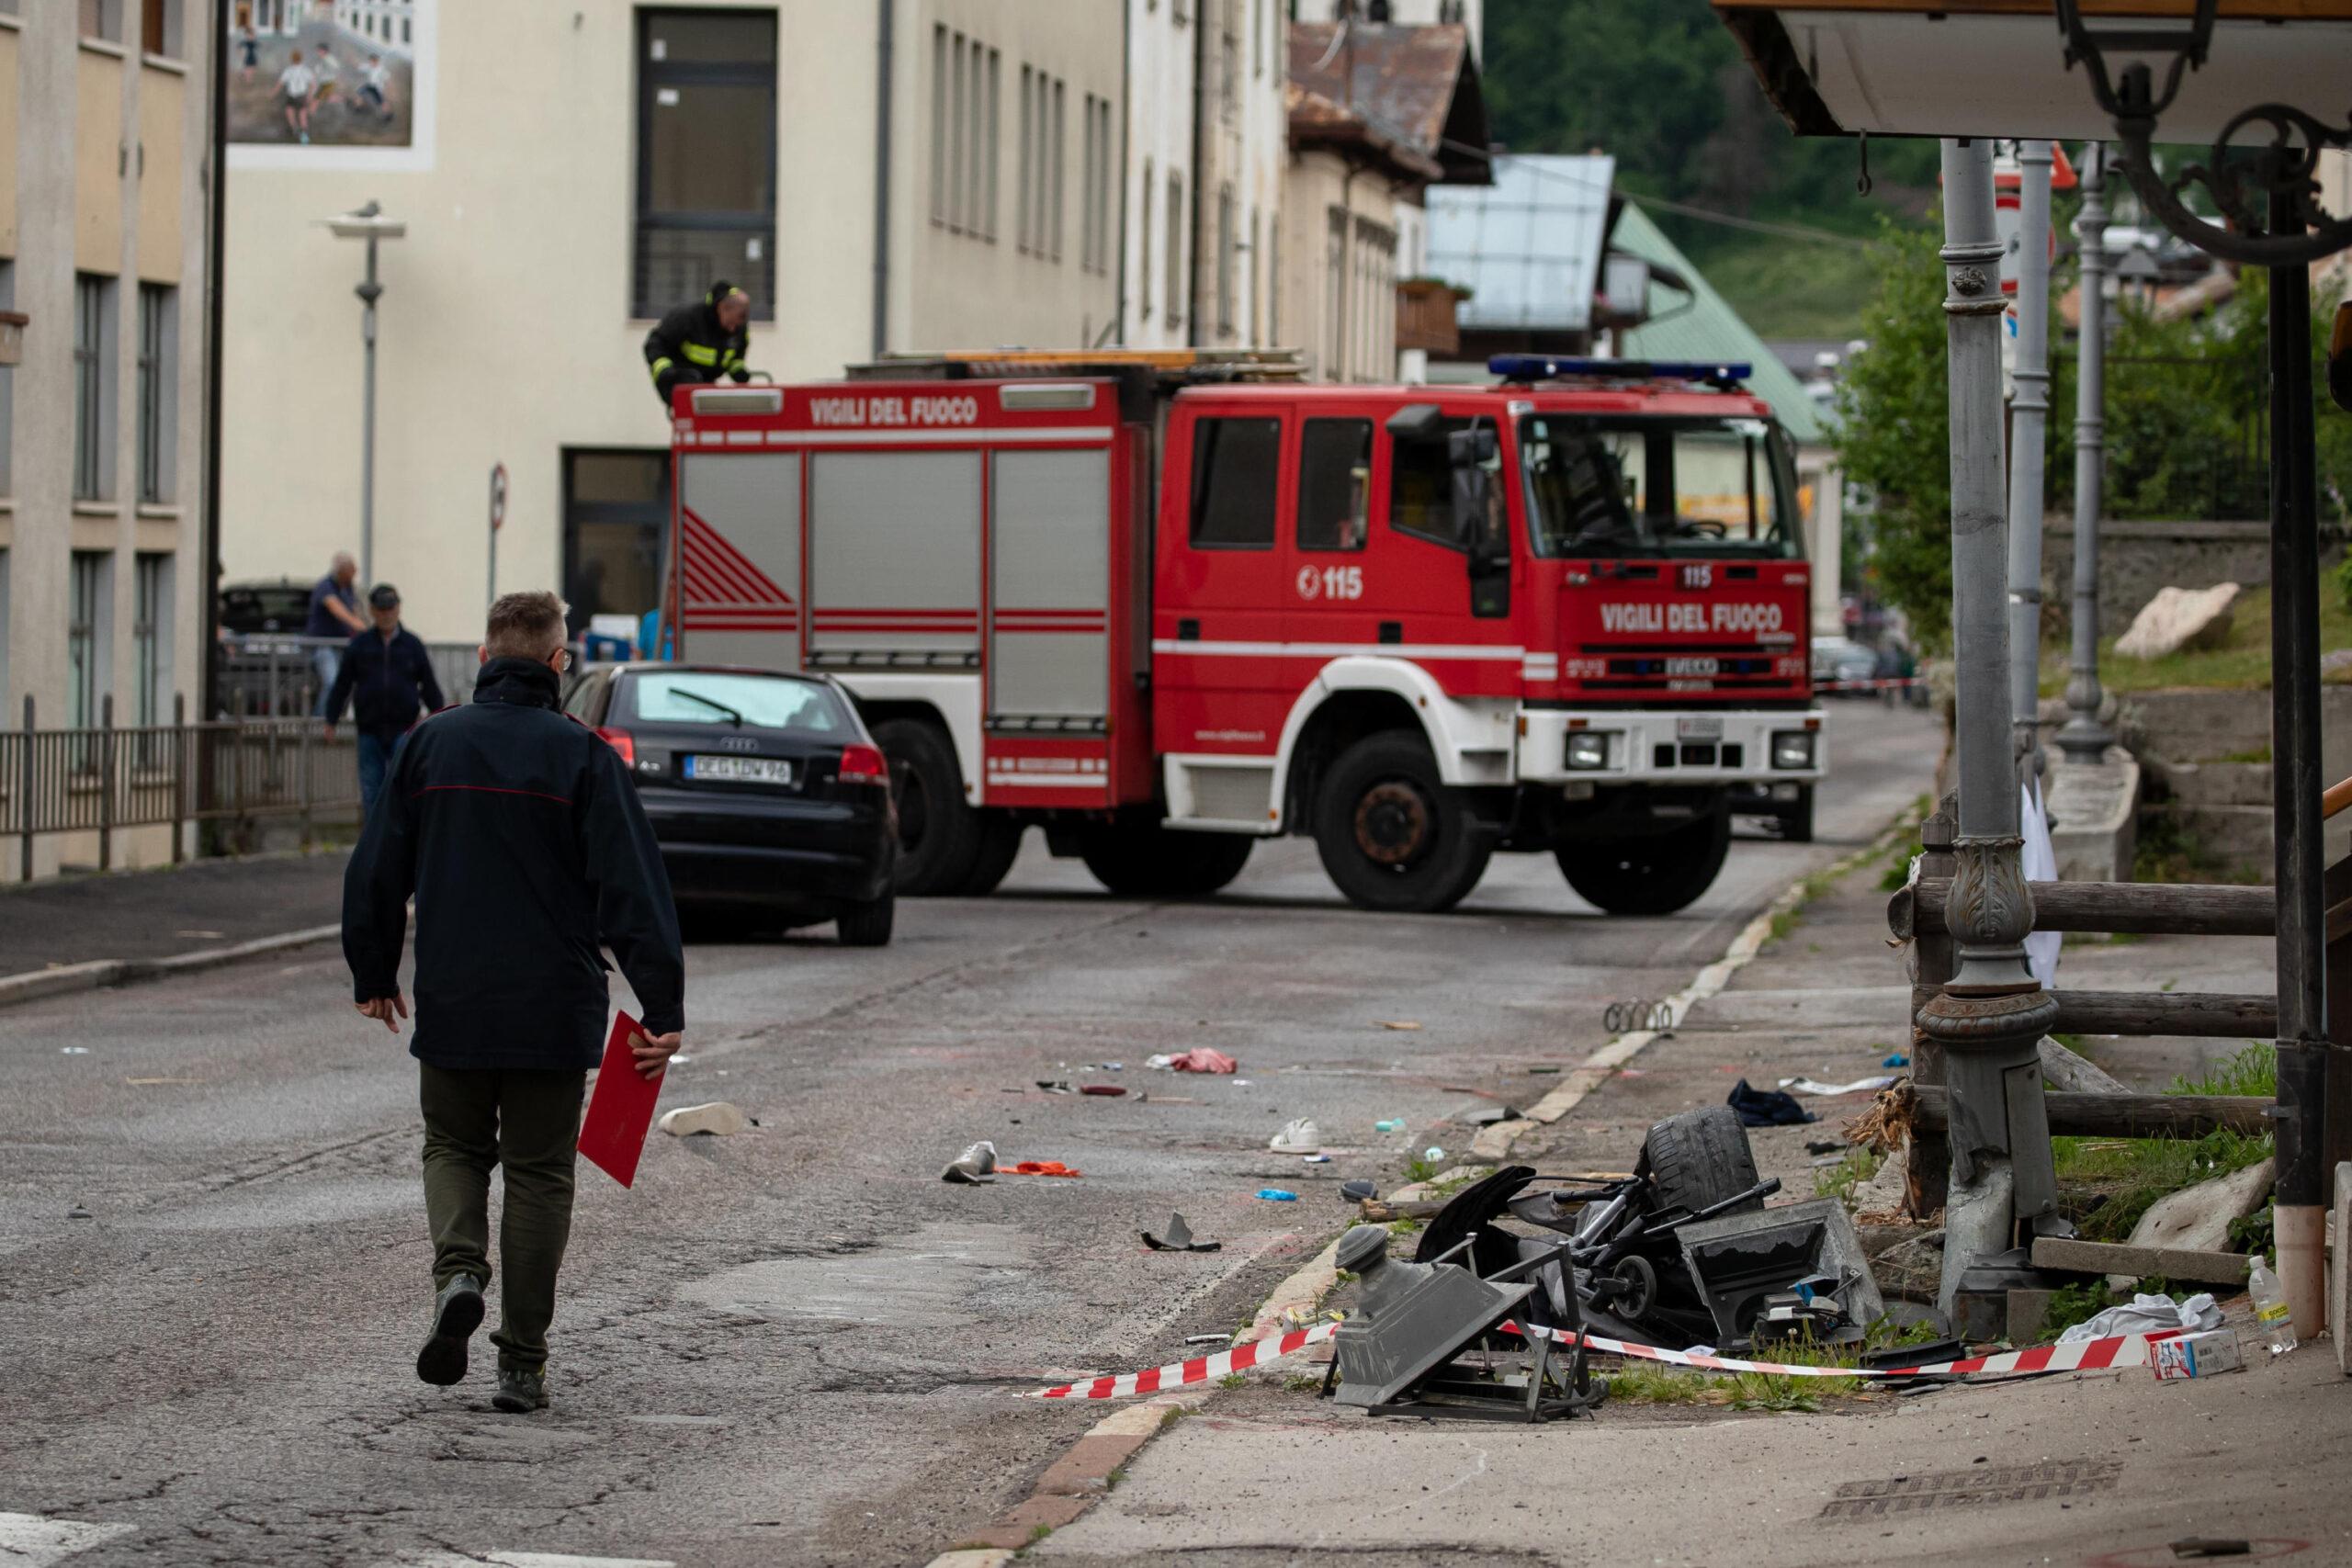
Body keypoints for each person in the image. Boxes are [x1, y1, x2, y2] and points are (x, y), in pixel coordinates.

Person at [344, 591, 684, 1416]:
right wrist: (662, 1002)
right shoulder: (584, 756)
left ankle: (459, 1271)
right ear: (559, 662)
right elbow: (632, 890)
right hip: (553, 1008)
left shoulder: (431, 743)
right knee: (539, 1175)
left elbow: (376, 866)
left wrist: (375, 970)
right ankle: (522, 1363)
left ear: (486, 655)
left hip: (455, 1000)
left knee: (453, 1147)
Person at [323, 583, 445, 814]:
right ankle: (374, 844)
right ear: (372, 611)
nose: (386, 614)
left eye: (390, 609)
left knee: (403, 787)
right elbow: (343, 684)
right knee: (372, 791)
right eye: (381, 610)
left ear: (398, 609)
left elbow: (428, 685)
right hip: (369, 729)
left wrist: (439, 716)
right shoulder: (360, 645)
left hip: (404, 729)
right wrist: (331, 718)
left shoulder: (412, 645)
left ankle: (399, 842)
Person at [641, 281, 752, 411]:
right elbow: (656, 343)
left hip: (706, 383)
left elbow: (736, 354)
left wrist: (737, 370)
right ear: (721, 308)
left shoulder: (738, 326)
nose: (733, 329)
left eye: (736, 325)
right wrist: (664, 369)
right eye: (730, 322)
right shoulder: (687, 318)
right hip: (678, 378)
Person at [305, 553, 367, 717]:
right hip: (324, 646)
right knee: (332, 682)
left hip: (342, 646)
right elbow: (338, 610)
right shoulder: (326, 587)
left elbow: (355, 611)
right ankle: (321, 719)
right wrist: (362, 628)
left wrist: (362, 623)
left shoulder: (347, 589)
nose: (355, 574)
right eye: (352, 570)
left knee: (346, 684)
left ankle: (337, 716)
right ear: (343, 570)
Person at [277, 50, 315, 143]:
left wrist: (272, 92)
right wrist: (310, 96)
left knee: (290, 112)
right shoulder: (306, 70)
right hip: (302, 95)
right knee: (302, 116)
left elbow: (280, 83)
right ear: (301, 59)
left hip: (292, 95)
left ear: (292, 59)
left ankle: (295, 129)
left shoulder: (289, 70)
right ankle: (303, 135)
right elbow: (312, 84)